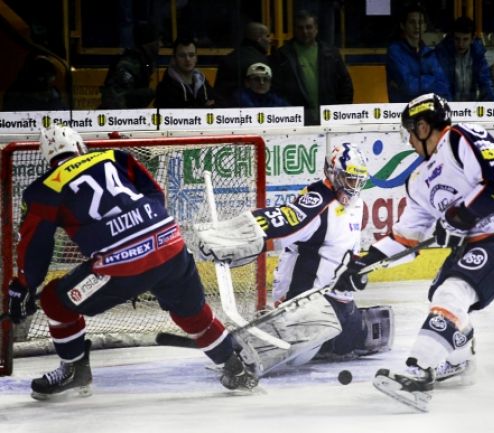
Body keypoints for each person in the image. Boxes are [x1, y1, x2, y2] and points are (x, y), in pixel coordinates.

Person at [6, 124, 257, 400]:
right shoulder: (114, 156)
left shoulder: (44, 188)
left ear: (47, 157)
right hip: (170, 247)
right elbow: (155, 194)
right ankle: (235, 368)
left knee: (55, 301)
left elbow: (35, 246)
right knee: (191, 313)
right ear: (80, 147)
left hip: (118, 268)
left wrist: (25, 285)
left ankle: (74, 369)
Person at [333, 93, 494, 412]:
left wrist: (463, 216)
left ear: (423, 125)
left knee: (453, 292)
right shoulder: (417, 181)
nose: (409, 140)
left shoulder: (462, 137)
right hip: (476, 240)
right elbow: (406, 237)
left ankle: (419, 371)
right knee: (440, 293)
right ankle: (459, 359)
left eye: (410, 131)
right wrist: (364, 262)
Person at [195, 142, 394, 375]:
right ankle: (268, 330)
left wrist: (357, 269)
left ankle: (291, 332)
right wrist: (230, 237)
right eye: (349, 180)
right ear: (332, 173)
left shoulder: (357, 204)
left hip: (337, 302)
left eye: (358, 181)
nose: (353, 187)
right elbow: (281, 222)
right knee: (298, 357)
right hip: (308, 303)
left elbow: (343, 249)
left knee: (376, 332)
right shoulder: (318, 202)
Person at [271, 9, 354, 125]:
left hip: (329, 118)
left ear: (316, 29)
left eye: (309, 27)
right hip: (295, 120)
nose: (305, 32)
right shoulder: (282, 55)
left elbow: (345, 85)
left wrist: (340, 112)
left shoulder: (331, 54)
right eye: (300, 28)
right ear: (294, 30)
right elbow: (276, 90)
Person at [385, 3, 451, 102]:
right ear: (403, 25)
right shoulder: (395, 51)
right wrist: (432, 79)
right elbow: (408, 87)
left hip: (428, 109)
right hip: (401, 110)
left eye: (420, 22)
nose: (417, 26)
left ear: (424, 26)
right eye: (412, 22)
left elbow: (444, 86)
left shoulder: (430, 52)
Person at [434, 16, 494, 101]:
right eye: (457, 39)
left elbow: (486, 84)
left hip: (470, 108)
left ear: (472, 39)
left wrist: (493, 107)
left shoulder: (477, 54)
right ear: (452, 37)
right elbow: (441, 85)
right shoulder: (443, 54)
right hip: (449, 106)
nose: (461, 44)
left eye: (465, 39)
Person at [99, 22, 160, 109]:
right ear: (149, 44)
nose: (160, 45)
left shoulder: (144, 60)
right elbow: (116, 97)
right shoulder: (130, 63)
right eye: (157, 42)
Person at [213, 21, 271, 107]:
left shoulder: (228, 58)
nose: (270, 40)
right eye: (267, 36)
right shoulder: (262, 62)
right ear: (259, 39)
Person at [155, 36, 216, 108]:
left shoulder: (202, 82)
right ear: (174, 58)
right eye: (182, 55)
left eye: (191, 55)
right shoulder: (164, 88)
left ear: (196, 58)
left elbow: (218, 102)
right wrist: (204, 107)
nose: (187, 59)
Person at [2, 55, 68, 112]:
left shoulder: (57, 100)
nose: (46, 82)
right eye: (41, 77)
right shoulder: (15, 102)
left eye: (50, 77)